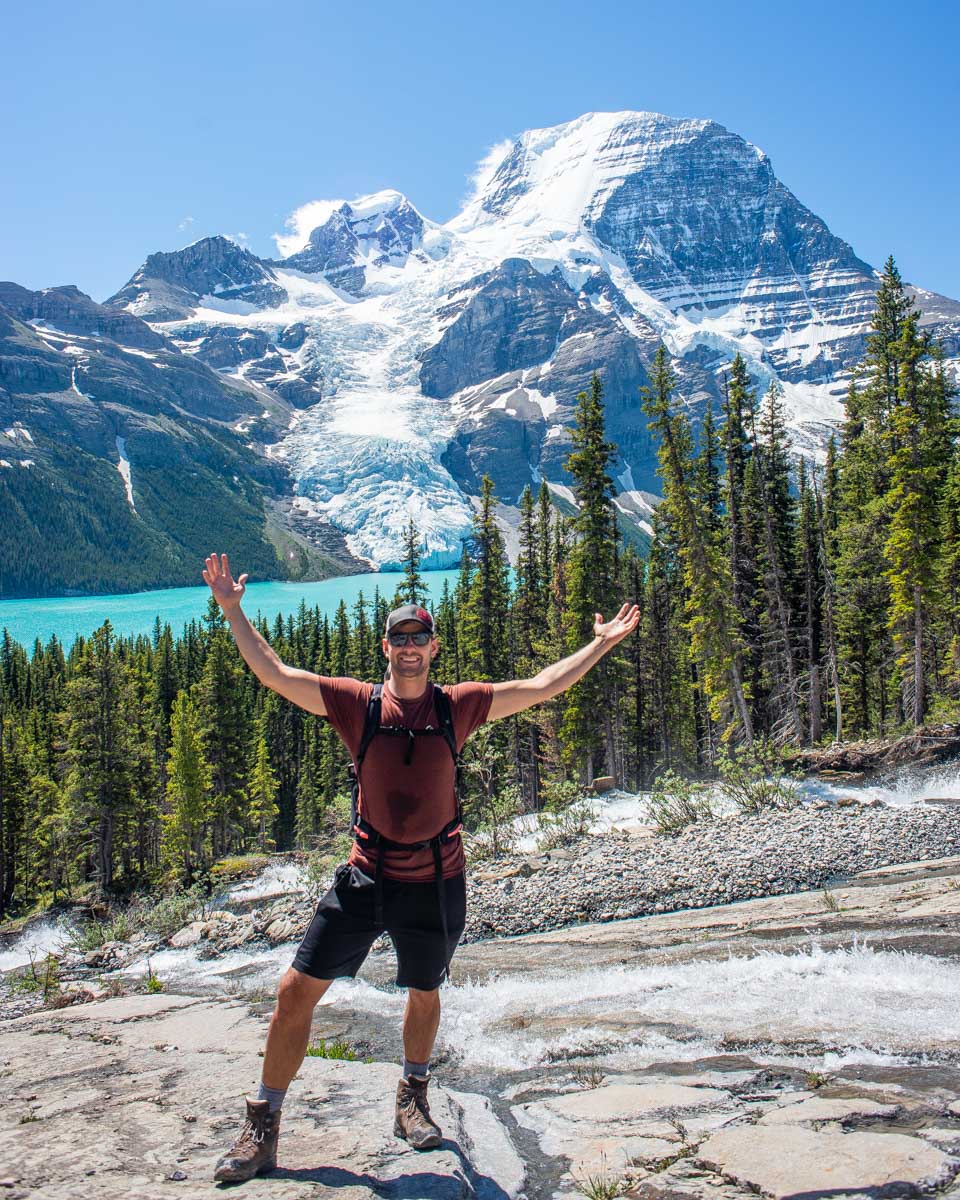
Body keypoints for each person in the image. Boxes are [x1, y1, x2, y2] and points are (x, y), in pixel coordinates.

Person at [203, 552, 639, 1183]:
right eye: (400, 638)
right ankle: (264, 1125)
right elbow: (273, 672)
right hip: (365, 876)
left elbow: (544, 685)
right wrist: (233, 609)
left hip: (436, 880)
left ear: (434, 648)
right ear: (386, 646)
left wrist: (597, 646)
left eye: (420, 638)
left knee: (424, 991)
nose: (410, 648)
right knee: (295, 992)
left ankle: (412, 1096)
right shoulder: (357, 704)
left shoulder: (457, 705)